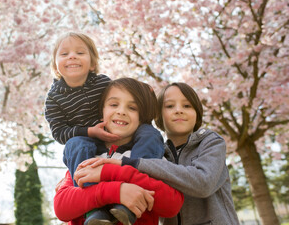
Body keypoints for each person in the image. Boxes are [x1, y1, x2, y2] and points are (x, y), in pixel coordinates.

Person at [75, 82, 240, 225]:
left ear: (197, 113)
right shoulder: (157, 153)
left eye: (187, 106)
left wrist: (132, 163)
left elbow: (204, 183)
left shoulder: (210, 142)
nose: (178, 110)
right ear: (158, 116)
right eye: (169, 106)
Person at [44, 32, 165, 222]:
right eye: (64, 54)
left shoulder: (102, 83)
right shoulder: (53, 97)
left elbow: (124, 95)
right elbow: (59, 132)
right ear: (55, 66)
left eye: (80, 52)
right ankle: (94, 209)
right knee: (75, 144)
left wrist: (146, 94)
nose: (72, 56)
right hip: (86, 143)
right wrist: (89, 132)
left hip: (117, 137)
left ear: (92, 64)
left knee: (150, 132)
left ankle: (137, 179)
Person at [54, 78, 184, 225]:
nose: (121, 111)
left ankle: (123, 210)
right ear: (101, 111)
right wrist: (116, 191)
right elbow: (61, 208)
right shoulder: (86, 156)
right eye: (114, 104)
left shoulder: (154, 157)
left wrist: (114, 172)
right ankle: (95, 213)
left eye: (132, 108)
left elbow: (172, 205)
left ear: (142, 118)